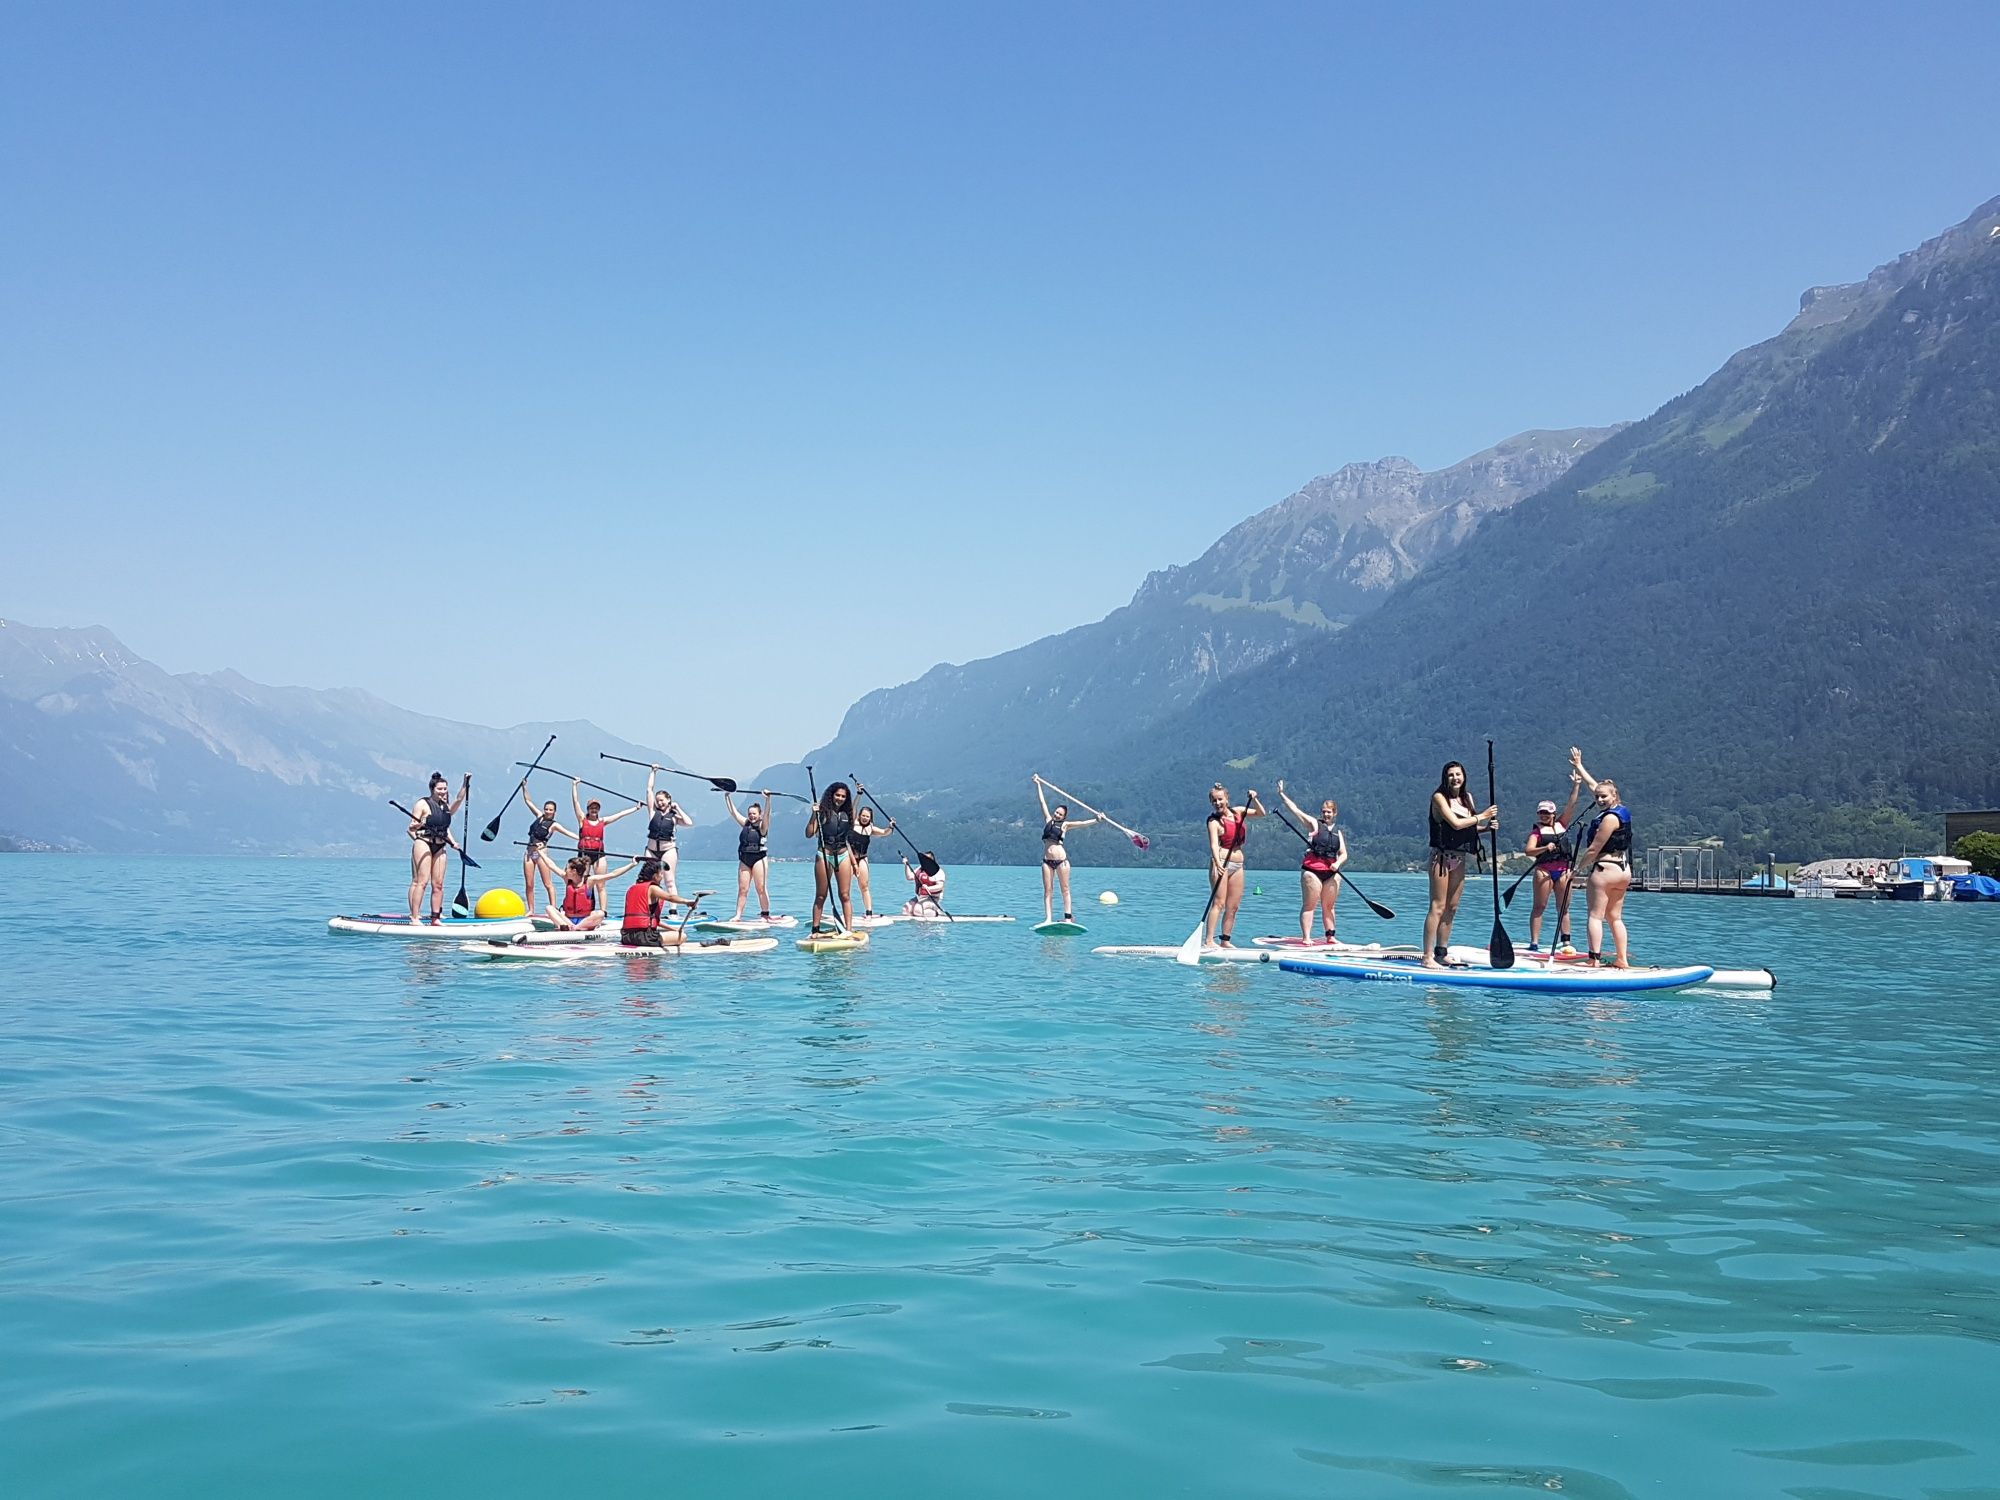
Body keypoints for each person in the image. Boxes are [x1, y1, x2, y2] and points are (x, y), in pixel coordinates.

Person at [1423, 761, 1499, 969]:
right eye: (1450, 775)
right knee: (1437, 906)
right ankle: (1427, 956)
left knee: (1452, 907)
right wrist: (1482, 816)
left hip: (1460, 858)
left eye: (1458, 774)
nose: (1454, 778)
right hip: (1441, 858)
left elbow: (1467, 829)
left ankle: (1442, 952)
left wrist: (1486, 828)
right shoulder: (1439, 798)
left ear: (1464, 776)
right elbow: (1455, 824)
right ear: (1444, 778)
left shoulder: (1467, 799)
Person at [1570, 747, 1633, 967]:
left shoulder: (1609, 820)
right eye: (1597, 797)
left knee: (1595, 916)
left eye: (1603, 796)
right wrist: (1579, 766)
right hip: (1623, 871)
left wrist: (1576, 870)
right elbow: (1594, 786)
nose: (1599, 799)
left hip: (1604, 871)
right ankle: (1622, 959)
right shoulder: (1622, 811)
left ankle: (1593, 960)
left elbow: (1594, 849)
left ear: (1614, 795)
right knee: (1614, 917)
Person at [1275, 779, 1347, 943]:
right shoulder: (1315, 824)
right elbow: (1296, 811)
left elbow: (1343, 854)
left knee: (1329, 906)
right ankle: (1307, 937)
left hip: (1331, 873)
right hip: (1312, 871)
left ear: (1334, 813)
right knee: (1310, 905)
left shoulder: (1338, 833)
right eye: (1324, 811)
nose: (1326, 814)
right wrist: (1282, 794)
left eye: (1329, 812)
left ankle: (1330, 936)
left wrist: (1337, 863)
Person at [1524, 773, 1584, 954]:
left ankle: (1566, 942)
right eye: (1541, 812)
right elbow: (1529, 851)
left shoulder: (1562, 824)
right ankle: (1534, 943)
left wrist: (1576, 785)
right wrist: (1544, 849)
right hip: (1544, 871)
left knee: (1563, 907)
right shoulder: (1537, 832)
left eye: (1547, 813)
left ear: (1553, 814)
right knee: (1539, 906)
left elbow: (1572, 804)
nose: (1543, 815)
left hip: (1564, 870)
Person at [1034, 774, 1102, 924]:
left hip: (1061, 861)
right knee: (1048, 891)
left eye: (1060, 813)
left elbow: (1083, 823)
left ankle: (1068, 918)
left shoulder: (1065, 825)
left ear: (1063, 816)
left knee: (1065, 889)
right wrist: (1038, 783)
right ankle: (1048, 919)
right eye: (1056, 812)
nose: (1056, 814)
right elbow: (1042, 802)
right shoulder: (1048, 820)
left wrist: (1096, 820)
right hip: (1047, 862)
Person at [1204, 783, 1266, 946]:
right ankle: (1209, 940)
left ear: (1227, 799)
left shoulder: (1238, 811)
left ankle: (1225, 940)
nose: (1217, 803)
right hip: (1222, 863)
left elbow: (1261, 813)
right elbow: (1213, 846)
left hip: (1238, 865)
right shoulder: (1213, 822)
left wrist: (1254, 799)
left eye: (1220, 799)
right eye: (1214, 801)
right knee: (1219, 903)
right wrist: (1217, 863)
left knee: (1233, 906)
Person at [407, 771, 470, 923]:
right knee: (421, 882)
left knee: (439, 884)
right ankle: (415, 916)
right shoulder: (422, 804)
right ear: (432, 789)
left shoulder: (446, 808)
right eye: (439, 789)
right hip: (423, 843)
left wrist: (465, 782)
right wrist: (418, 834)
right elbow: (410, 828)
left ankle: (435, 917)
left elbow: (459, 800)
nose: (443, 792)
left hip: (441, 847)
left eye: (445, 789)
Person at [805, 780, 859, 933]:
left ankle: (848, 929)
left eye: (843, 796)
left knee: (845, 895)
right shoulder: (821, 812)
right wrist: (813, 815)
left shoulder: (847, 814)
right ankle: (815, 930)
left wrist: (859, 794)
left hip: (842, 855)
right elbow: (809, 834)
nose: (840, 798)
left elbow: (848, 838)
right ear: (831, 795)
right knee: (821, 895)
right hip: (824, 855)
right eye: (837, 795)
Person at [618, 859, 706, 948]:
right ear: (655, 876)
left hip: (626, 937)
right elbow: (670, 897)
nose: (662, 877)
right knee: (683, 937)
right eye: (661, 874)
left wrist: (675, 929)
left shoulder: (632, 889)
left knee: (676, 933)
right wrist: (687, 901)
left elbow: (653, 920)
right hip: (645, 938)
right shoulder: (652, 888)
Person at [572, 779, 640, 886]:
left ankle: (603, 904)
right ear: (588, 809)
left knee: (601, 884)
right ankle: (586, 901)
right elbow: (575, 802)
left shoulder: (603, 821)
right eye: (591, 808)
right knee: (583, 882)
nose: (594, 810)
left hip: (598, 854)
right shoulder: (582, 819)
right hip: (584, 853)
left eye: (596, 808)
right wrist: (574, 785)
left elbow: (620, 814)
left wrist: (636, 808)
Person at [543, 853, 636, 931]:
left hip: (585, 920)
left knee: (600, 913)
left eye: (567, 868)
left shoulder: (589, 881)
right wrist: (539, 852)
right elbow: (551, 865)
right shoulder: (567, 879)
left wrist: (632, 864)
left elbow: (613, 874)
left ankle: (576, 928)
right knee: (549, 908)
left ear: (574, 871)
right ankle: (569, 926)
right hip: (568, 919)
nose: (565, 870)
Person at [723, 789, 777, 921]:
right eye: (750, 814)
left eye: (754, 814)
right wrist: (727, 796)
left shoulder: (763, 826)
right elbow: (734, 813)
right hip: (744, 859)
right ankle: (738, 915)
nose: (752, 816)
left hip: (759, 858)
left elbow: (768, 815)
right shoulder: (746, 823)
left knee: (761, 888)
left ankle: (765, 914)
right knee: (743, 889)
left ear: (759, 815)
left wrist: (768, 799)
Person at [517, 790, 574, 912]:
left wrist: (582, 838)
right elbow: (528, 801)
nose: (548, 811)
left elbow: (568, 833)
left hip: (542, 853)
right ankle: (531, 910)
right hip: (529, 853)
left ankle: (553, 909)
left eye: (550, 810)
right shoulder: (539, 816)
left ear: (554, 812)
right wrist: (524, 787)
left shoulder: (554, 825)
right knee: (529, 884)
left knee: (548, 883)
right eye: (546, 809)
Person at [642, 769, 694, 893]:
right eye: (657, 800)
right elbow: (649, 789)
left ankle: (673, 909)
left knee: (669, 881)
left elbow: (689, 823)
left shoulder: (674, 817)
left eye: (662, 800)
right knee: (649, 880)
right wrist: (653, 772)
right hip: (651, 851)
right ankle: (650, 907)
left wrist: (678, 808)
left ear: (668, 799)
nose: (660, 803)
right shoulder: (653, 812)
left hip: (668, 850)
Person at [844, 804, 897, 917]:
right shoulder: (852, 824)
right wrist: (859, 794)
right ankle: (846, 912)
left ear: (870, 818)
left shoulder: (870, 828)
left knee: (864, 886)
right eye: (863, 815)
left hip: (862, 858)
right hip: (849, 858)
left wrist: (891, 827)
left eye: (867, 817)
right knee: (845, 886)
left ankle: (869, 913)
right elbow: (853, 807)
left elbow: (884, 833)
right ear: (859, 815)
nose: (865, 818)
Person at [903, 852, 949, 917]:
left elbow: (940, 886)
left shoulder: (938, 871)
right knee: (907, 909)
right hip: (921, 897)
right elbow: (909, 877)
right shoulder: (920, 869)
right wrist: (906, 865)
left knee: (917, 911)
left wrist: (928, 888)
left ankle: (937, 913)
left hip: (933, 897)